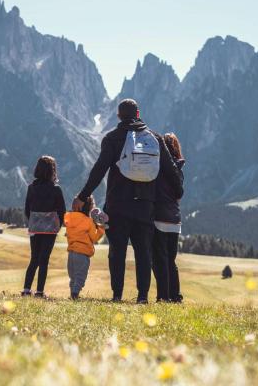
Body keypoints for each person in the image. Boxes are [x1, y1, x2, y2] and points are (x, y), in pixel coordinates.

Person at [72, 99, 182, 303]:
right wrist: (178, 191)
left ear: (119, 116)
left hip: (118, 205)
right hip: (145, 205)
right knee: (144, 252)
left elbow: (99, 170)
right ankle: (142, 296)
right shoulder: (155, 139)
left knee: (117, 252)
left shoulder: (112, 138)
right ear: (138, 114)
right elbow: (171, 170)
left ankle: (117, 295)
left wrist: (83, 195)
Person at [22, 155, 66, 298]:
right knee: (44, 260)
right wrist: (56, 226)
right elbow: (62, 211)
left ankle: (26, 289)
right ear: (52, 171)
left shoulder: (31, 188)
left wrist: (33, 221)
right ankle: (40, 292)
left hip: (34, 227)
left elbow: (27, 209)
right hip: (50, 229)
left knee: (34, 259)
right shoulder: (56, 189)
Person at [152, 133, 185, 302]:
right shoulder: (179, 169)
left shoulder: (157, 166)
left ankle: (163, 297)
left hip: (158, 218)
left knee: (159, 261)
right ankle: (176, 296)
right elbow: (179, 195)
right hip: (175, 220)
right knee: (171, 261)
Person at [64, 196, 106, 300]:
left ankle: (72, 294)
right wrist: (100, 228)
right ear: (88, 208)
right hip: (83, 254)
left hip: (71, 253)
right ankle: (75, 294)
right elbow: (95, 237)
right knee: (80, 276)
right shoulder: (88, 222)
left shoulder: (69, 218)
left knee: (73, 276)